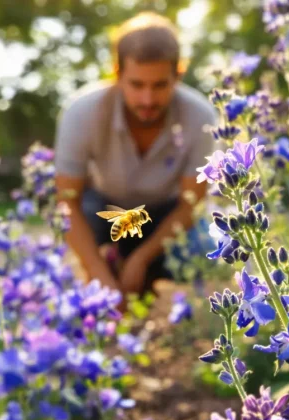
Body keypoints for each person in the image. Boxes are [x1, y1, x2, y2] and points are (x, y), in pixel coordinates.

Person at [53, 11, 217, 298]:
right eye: (137, 84)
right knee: (80, 234)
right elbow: (67, 203)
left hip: (165, 212)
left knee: (205, 248)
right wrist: (98, 273)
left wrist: (141, 260)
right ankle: (107, 267)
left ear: (178, 75)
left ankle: (143, 273)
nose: (148, 99)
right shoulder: (81, 112)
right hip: (104, 210)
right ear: (117, 74)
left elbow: (191, 205)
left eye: (160, 85)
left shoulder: (201, 116)